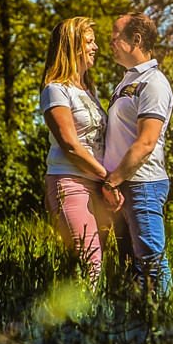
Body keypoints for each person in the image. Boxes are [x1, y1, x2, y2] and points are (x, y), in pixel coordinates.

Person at [41, 16, 120, 282]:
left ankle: (89, 319)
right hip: (70, 182)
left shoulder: (89, 92)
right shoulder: (55, 90)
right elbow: (71, 145)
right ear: (72, 46)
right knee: (91, 261)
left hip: (97, 185)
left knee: (100, 262)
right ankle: (85, 319)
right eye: (89, 41)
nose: (96, 47)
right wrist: (108, 177)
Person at [101, 12, 173, 295]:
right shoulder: (125, 82)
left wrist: (112, 181)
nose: (110, 43)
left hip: (142, 183)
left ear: (137, 39)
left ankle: (164, 330)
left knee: (150, 263)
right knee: (130, 265)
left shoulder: (153, 83)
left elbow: (146, 143)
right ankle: (136, 329)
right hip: (123, 185)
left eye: (115, 38)